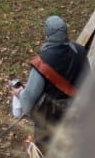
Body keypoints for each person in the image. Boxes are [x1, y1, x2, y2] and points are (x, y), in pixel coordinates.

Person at [14, 15, 90, 151]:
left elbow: (28, 100)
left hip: (50, 118)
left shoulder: (42, 61)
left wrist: (19, 93)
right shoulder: (80, 52)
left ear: (47, 33)